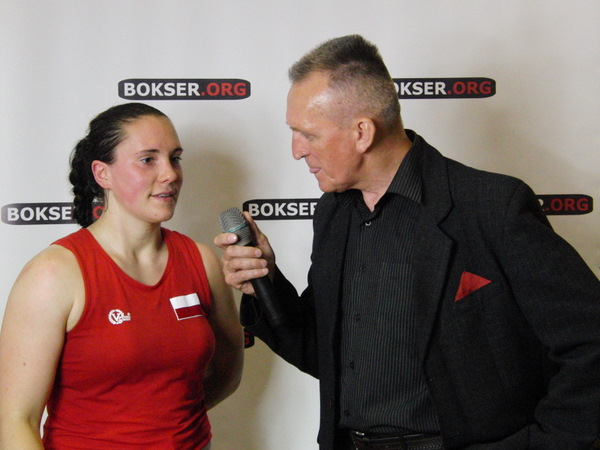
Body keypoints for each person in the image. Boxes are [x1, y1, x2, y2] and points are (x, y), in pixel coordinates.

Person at [214, 35, 600, 449]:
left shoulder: (492, 206)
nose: (296, 150)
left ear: (362, 133)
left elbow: (590, 342)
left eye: (307, 134)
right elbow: (327, 355)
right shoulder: (334, 213)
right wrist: (266, 282)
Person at [0, 102, 244, 449]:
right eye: (148, 160)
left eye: (175, 158)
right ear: (103, 174)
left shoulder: (201, 261)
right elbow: (16, 420)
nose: (170, 174)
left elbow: (228, 368)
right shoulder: (54, 274)